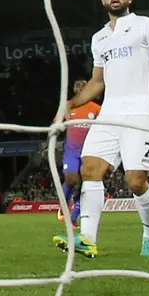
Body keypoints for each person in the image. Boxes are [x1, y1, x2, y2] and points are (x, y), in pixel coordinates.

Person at [54, 0, 149, 259]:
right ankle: (87, 239)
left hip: (142, 113)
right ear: (103, 1)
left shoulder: (147, 26)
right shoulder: (99, 38)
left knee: (136, 181)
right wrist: (71, 102)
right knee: (89, 168)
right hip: (110, 115)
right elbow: (97, 81)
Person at [58, 81, 101, 225]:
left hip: (89, 150)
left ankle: (73, 218)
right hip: (72, 150)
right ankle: (63, 207)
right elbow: (57, 124)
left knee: (86, 184)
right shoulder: (69, 107)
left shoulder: (96, 109)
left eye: (83, 87)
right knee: (71, 179)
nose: (79, 89)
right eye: (77, 87)